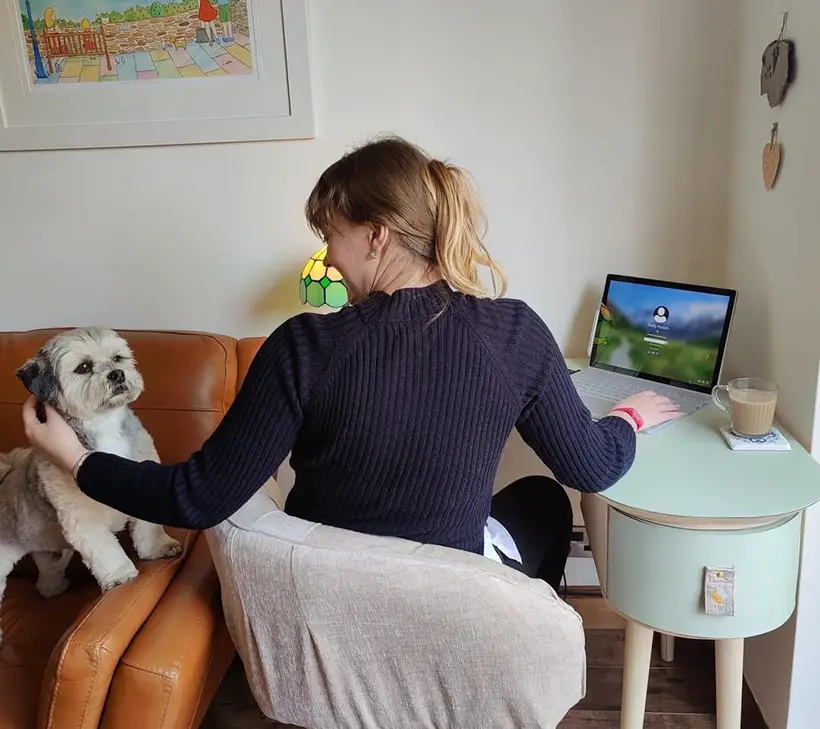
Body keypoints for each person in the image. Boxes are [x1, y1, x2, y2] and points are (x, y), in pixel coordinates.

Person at [21, 135, 680, 592]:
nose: (330, 257)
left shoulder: (302, 345)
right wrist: (626, 417)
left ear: (377, 234)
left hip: (331, 601)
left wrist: (77, 460)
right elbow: (592, 468)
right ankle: (503, 651)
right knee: (540, 499)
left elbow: (196, 497)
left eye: (331, 234)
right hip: (449, 596)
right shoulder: (515, 333)